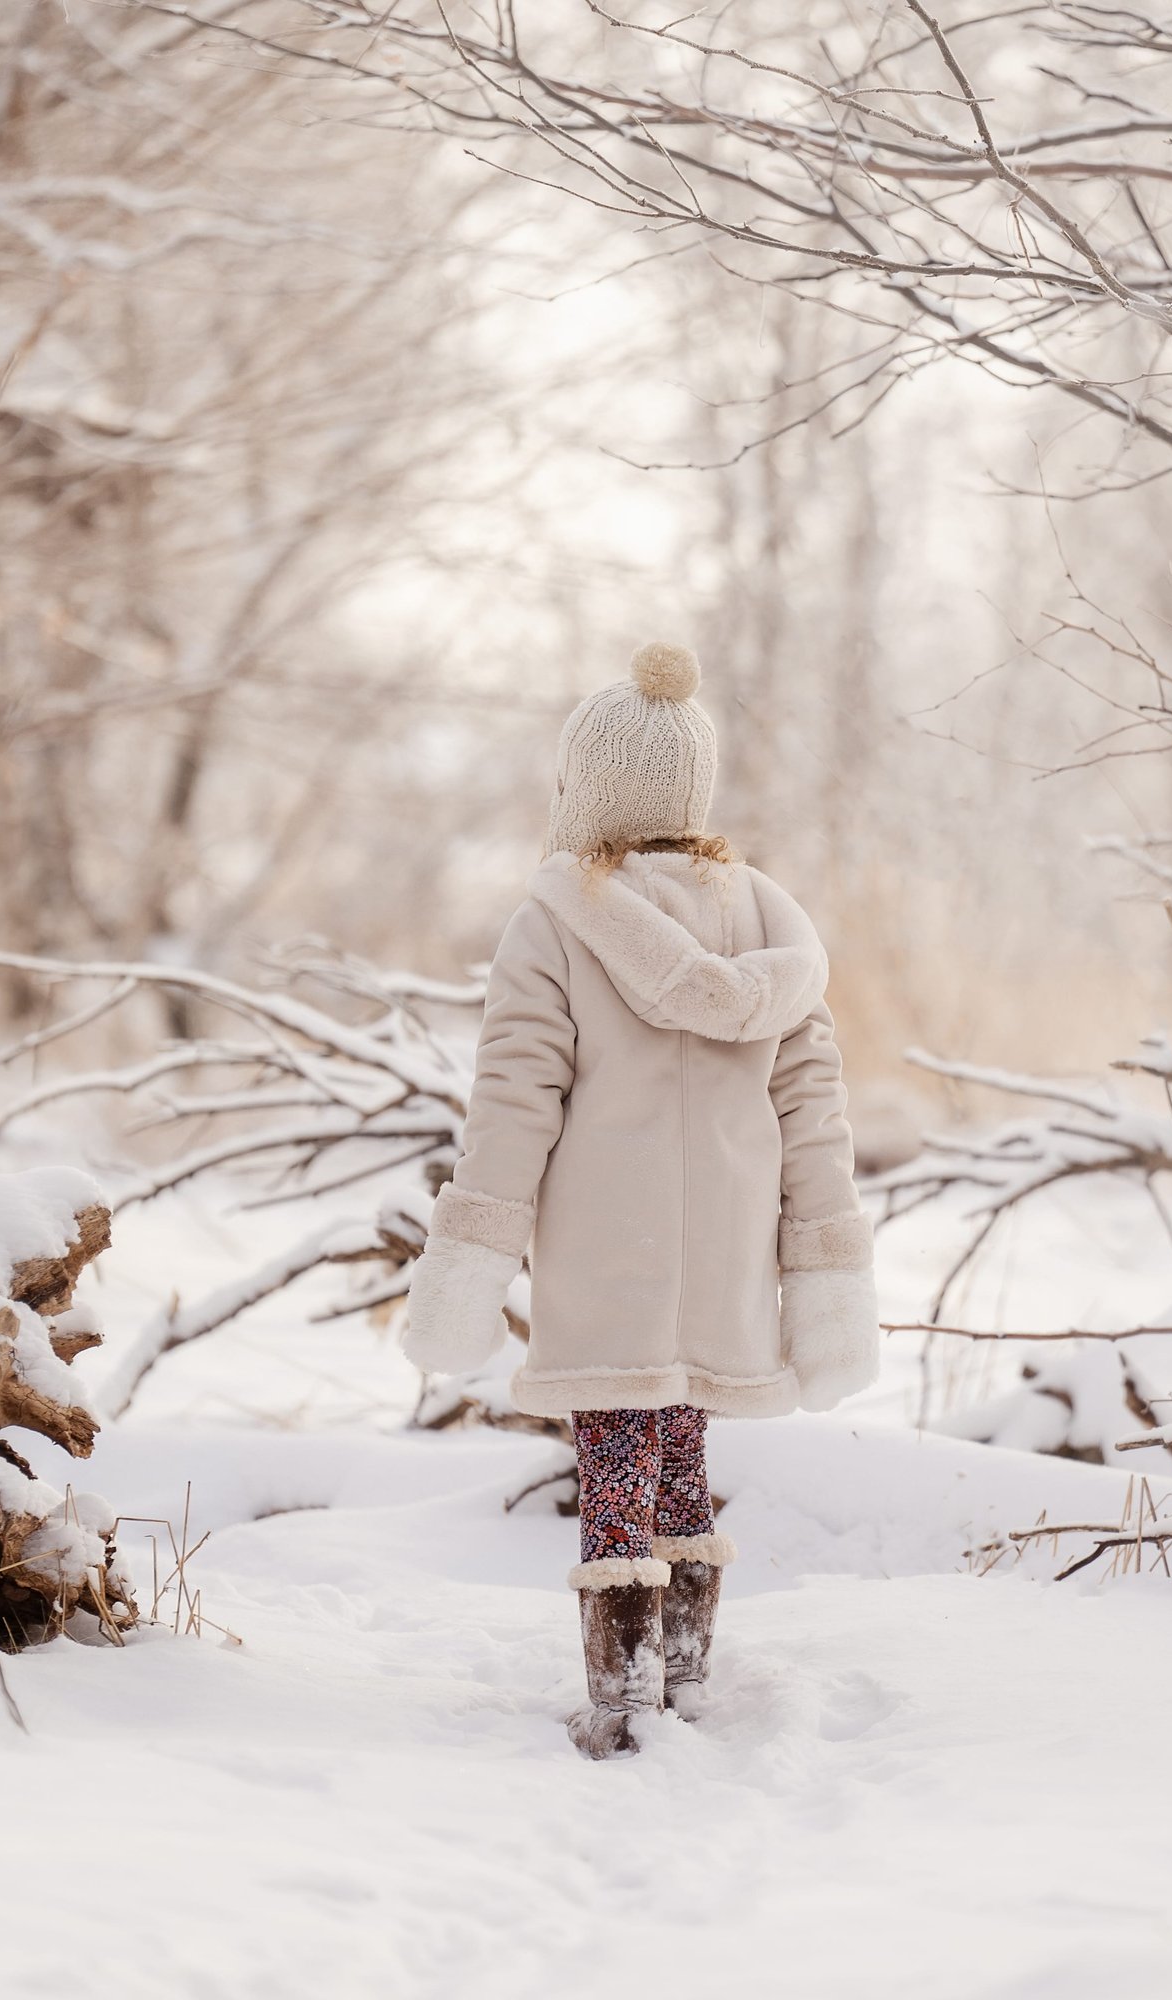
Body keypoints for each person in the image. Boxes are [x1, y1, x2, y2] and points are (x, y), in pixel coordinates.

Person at [403, 640, 878, 1757]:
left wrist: (472, 1255)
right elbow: (814, 1112)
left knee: (616, 1450)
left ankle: (622, 1702)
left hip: (602, 1251)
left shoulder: (556, 921)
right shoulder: (771, 928)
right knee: (682, 1447)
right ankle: (686, 1676)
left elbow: (514, 1104)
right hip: (725, 1251)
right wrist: (824, 1269)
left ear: (589, 790)